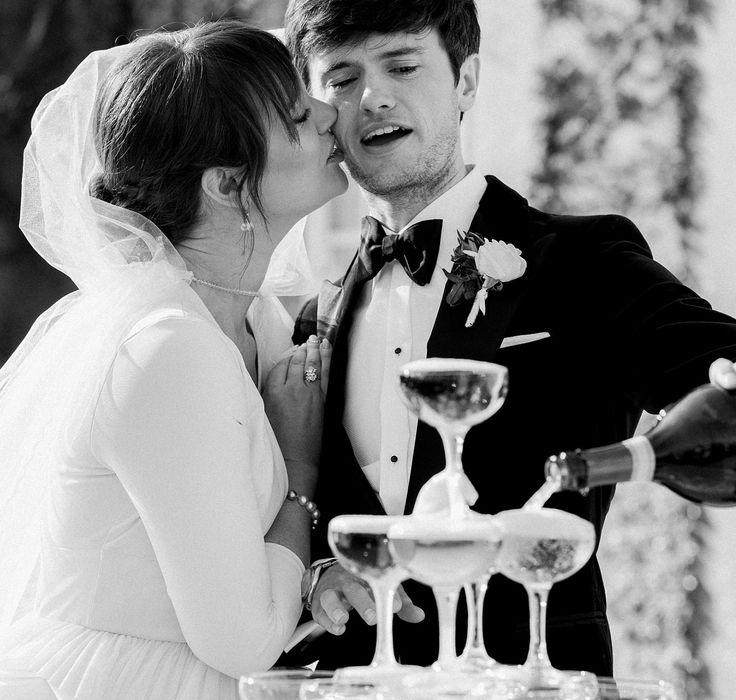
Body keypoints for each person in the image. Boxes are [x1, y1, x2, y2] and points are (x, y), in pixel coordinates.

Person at [282, 0, 736, 677]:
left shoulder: (584, 262)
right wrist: (315, 576)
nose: (372, 97)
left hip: (538, 680)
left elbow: (719, 378)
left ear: (465, 82)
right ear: (318, 108)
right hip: (356, 684)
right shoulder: (314, 319)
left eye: (402, 65)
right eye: (342, 78)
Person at [0, 20, 348, 699]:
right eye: (297, 116)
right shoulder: (169, 350)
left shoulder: (255, 320)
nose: (328, 113)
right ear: (228, 186)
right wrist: (300, 466)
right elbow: (244, 641)